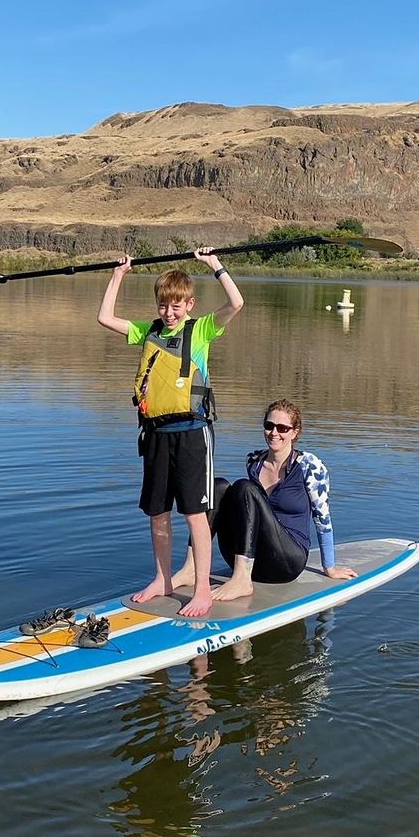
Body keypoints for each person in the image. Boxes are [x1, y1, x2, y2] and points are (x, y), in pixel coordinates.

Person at [98, 246, 244, 618]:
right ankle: (163, 579)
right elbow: (104, 318)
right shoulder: (148, 331)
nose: (169, 312)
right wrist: (119, 275)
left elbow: (237, 303)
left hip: (193, 433)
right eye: (164, 306)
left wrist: (215, 265)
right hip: (156, 435)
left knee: (195, 513)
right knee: (157, 512)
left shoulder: (203, 330)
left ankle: (201, 590)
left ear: (190, 304)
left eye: (176, 306)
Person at [174, 398, 358, 601]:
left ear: (295, 432)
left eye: (282, 428)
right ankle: (192, 568)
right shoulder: (254, 461)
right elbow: (249, 515)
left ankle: (241, 581)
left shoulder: (309, 466)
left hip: (286, 561)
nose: (274, 433)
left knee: (245, 488)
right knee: (219, 487)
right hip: (254, 559)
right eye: (269, 426)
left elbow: (322, 518)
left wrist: (329, 567)